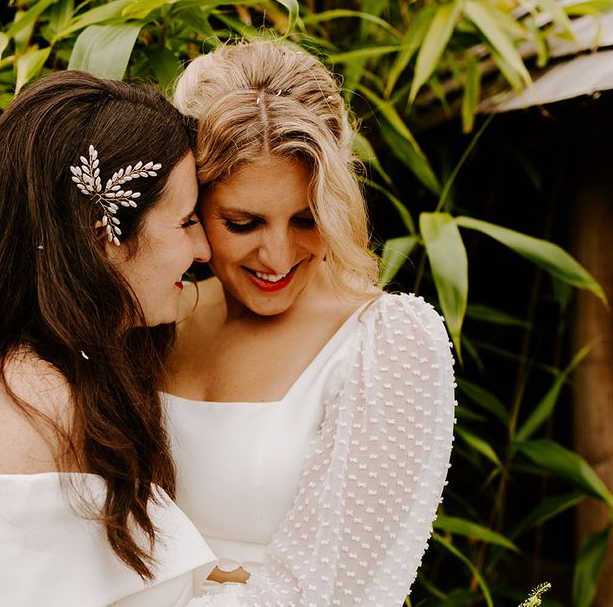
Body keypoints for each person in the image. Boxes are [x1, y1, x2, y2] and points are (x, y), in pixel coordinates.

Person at [0, 71, 217, 606]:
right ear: (101, 235)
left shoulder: (63, 383)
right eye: (186, 221)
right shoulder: (27, 413)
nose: (202, 249)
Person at [163, 40, 457, 606]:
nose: (277, 256)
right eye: (243, 223)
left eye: (306, 218)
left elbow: (336, 593)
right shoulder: (154, 318)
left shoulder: (387, 343)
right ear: (192, 205)